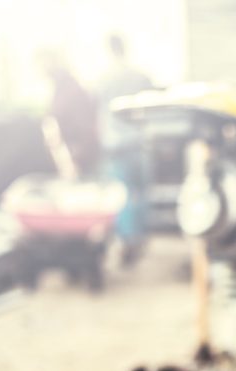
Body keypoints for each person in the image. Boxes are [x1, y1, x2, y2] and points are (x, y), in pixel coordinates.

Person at [97, 34, 153, 264]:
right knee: (142, 192)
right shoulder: (140, 77)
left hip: (116, 146)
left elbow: (98, 113)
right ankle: (140, 237)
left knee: (123, 194)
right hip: (139, 143)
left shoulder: (104, 79)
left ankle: (128, 239)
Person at [37, 49, 99, 179]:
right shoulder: (58, 90)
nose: (41, 69)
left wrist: (74, 160)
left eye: (43, 63)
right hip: (68, 161)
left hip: (79, 165)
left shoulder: (72, 90)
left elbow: (86, 129)